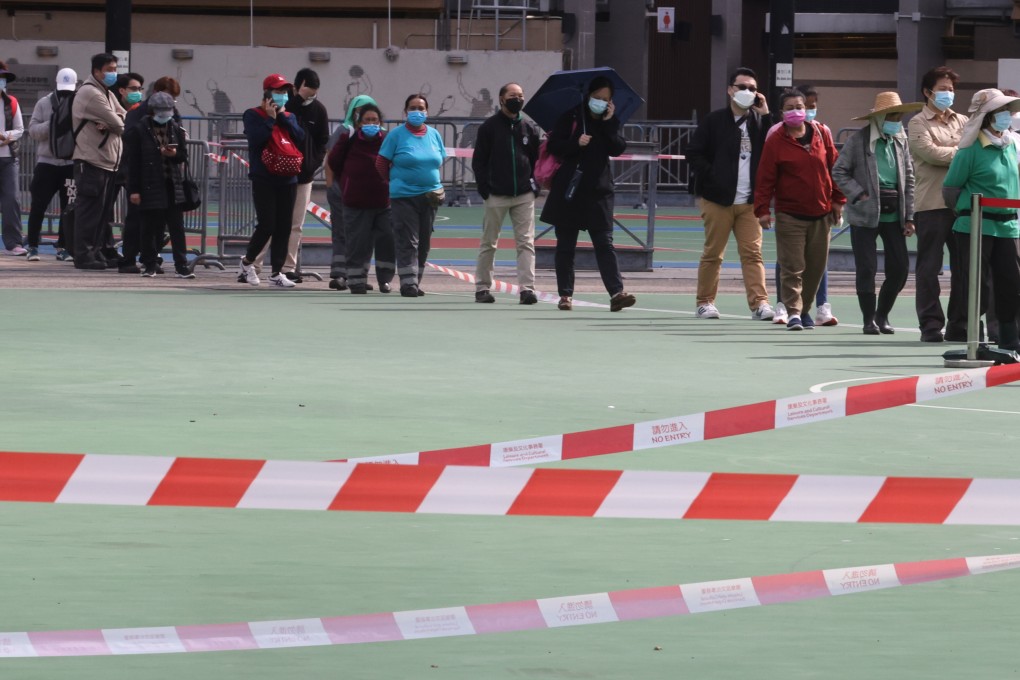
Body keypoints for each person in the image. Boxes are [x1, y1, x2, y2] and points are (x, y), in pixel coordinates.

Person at [538, 75, 636, 312]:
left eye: (606, 99)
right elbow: (554, 146)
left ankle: (616, 293)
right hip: (569, 190)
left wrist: (610, 123)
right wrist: (575, 143)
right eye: (597, 98)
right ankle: (565, 295)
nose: (600, 102)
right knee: (566, 246)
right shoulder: (571, 117)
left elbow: (617, 148)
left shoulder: (609, 121)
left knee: (604, 243)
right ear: (587, 96)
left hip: (598, 192)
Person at [686, 67, 774, 321]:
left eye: (752, 88)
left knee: (753, 253)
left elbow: (774, 146)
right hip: (718, 200)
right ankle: (705, 302)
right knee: (713, 253)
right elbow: (693, 153)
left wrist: (766, 114)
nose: (747, 92)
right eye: (742, 87)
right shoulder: (714, 121)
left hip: (749, 203)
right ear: (730, 90)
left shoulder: (759, 122)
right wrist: (713, 174)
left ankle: (760, 303)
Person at [754, 88, 845, 331]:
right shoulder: (776, 140)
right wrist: (762, 209)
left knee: (815, 268)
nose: (797, 111)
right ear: (781, 112)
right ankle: (793, 312)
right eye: (790, 107)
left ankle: (805, 310)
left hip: (821, 213)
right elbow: (765, 177)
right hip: (789, 214)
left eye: (800, 107)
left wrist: (838, 200)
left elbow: (834, 169)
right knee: (792, 266)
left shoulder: (821, 133)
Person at [832, 92, 921, 335]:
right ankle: (868, 319)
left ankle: (883, 315)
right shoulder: (859, 140)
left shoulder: (900, 141)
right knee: (867, 268)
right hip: (865, 215)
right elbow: (839, 171)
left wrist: (910, 216)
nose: (897, 120)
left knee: (900, 267)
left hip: (896, 214)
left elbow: (910, 179)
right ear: (879, 118)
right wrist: (859, 194)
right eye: (892, 116)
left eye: (899, 116)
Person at [942, 88, 1020, 352]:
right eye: (1001, 112)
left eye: (1008, 112)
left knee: (1011, 283)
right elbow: (951, 189)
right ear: (987, 117)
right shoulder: (969, 149)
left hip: (1008, 227)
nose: (1007, 116)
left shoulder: (1010, 146)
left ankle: (1010, 338)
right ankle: (975, 339)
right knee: (977, 287)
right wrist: (970, 212)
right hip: (975, 226)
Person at [908, 66, 969, 343]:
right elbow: (930, 153)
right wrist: (960, 151)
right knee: (929, 267)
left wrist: (954, 153)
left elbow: (973, 155)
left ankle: (960, 324)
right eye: (943, 89)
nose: (948, 94)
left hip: (962, 205)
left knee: (965, 268)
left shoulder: (964, 120)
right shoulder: (918, 122)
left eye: (951, 89)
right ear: (927, 91)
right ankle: (930, 325)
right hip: (931, 204)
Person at [253, 68, 329, 283]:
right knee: (268, 223)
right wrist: (296, 100)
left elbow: (322, 141)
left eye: (314, 93)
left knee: (295, 224)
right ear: (296, 88)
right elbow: (280, 125)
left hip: (303, 175)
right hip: (277, 174)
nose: (310, 97)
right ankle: (253, 265)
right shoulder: (284, 107)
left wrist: (313, 163)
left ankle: (287, 267)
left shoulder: (319, 110)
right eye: (307, 92)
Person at [472, 82, 541, 305]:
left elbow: (536, 161)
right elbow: (479, 161)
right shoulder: (488, 128)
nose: (517, 99)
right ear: (501, 99)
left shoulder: (529, 128)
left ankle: (527, 289)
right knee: (489, 243)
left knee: (526, 243)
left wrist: (534, 185)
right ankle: (482, 288)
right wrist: (485, 188)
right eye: (512, 95)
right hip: (496, 194)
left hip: (523, 194)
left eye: (520, 95)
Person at [236, 73, 306, 288]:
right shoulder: (252, 114)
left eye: (285, 92)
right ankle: (247, 263)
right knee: (267, 224)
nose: (282, 96)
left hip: (288, 178)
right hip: (264, 177)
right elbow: (256, 139)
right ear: (266, 94)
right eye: (278, 92)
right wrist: (269, 118)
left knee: (284, 226)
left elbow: (300, 138)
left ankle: (277, 272)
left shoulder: (290, 117)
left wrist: (283, 117)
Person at [376, 93, 446, 297]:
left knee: (424, 243)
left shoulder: (434, 135)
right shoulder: (396, 135)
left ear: (427, 112)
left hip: (430, 196)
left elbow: (439, 158)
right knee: (408, 241)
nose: (417, 112)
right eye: (413, 108)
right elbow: (381, 163)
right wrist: (395, 181)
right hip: (404, 196)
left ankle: (416, 280)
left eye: (421, 108)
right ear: (406, 112)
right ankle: (408, 283)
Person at [124, 91, 193, 279]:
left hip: (172, 184)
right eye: (161, 111)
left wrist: (173, 154)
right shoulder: (139, 130)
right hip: (148, 185)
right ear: (152, 110)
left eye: (168, 110)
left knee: (176, 227)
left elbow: (183, 156)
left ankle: (181, 265)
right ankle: (150, 264)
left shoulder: (175, 128)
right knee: (149, 227)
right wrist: (134, 190)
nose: (165, 115)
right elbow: (134, 163)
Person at [327, 103, 394, 293]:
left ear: (380, 122)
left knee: (387, 241)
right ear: (359, 123)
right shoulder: (349, 139)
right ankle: (356, 280)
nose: (371, 124)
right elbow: (333, 162)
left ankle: (385, 279)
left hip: (383, 203)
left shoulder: (388, 140)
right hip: (355, 203)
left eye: (374, 120)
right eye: (367, 120)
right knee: (357, 242)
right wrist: (348, 180)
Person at [71, 52, 126, 270]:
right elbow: (120, 124)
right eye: (109, 69)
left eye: (115, 68)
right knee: (90, 211)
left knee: (100, 212)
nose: (114, 73)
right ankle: (84, 255)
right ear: (96, 71)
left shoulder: (106, 93)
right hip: (91, 160)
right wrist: (113, 121)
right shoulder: (92, 93)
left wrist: (112, 121)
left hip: (105, 161)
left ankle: (94, 252)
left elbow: (124, 117)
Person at [26, 67, 76, 262]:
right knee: (38, 205)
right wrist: (54, 123)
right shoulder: (44, 103)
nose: (66, 93)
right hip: (46, 163)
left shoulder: (79, 103)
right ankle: (32, 245)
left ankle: (65, 246)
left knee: (69, 207)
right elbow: (32, 131)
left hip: (70, 162)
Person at [0, 60, 26, 256]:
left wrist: (6, 137)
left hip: (8, 158)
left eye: (3, 79)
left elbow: (20, 129)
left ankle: (14, 242)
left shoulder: (11, 102)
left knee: (12, 199)